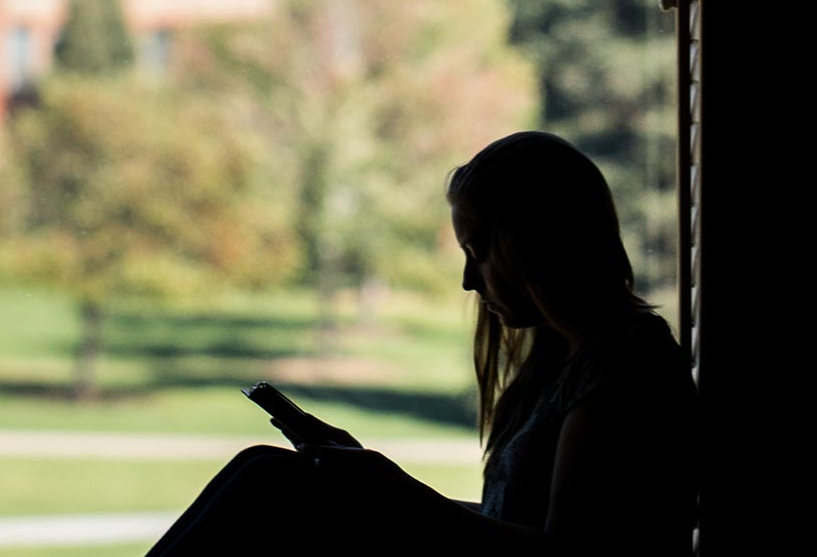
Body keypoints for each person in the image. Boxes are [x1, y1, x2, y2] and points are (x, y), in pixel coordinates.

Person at [147, 131, 696, 555]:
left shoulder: (626, 369)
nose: (469, 280)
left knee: (272, 483)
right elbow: (513, 522)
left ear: (536, 246)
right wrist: (380, 487)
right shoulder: (572, 358)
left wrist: (398, 498)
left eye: (479, 250)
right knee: (270, 474)